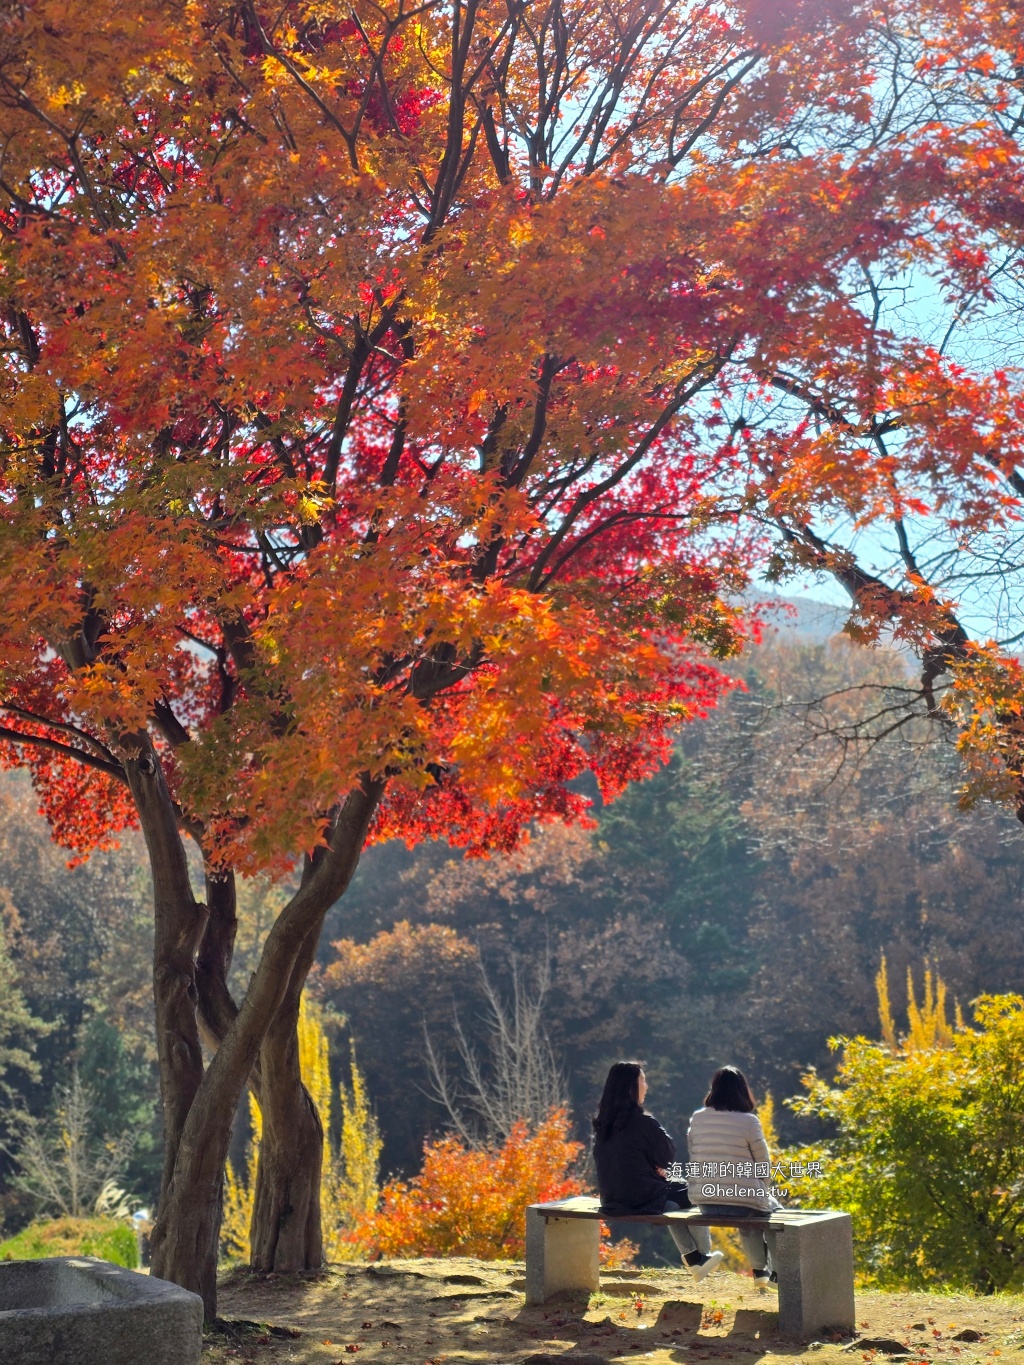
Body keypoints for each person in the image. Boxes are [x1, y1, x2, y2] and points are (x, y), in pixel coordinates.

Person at [593, 1060, 725, 1281]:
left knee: (673, 1201)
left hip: (613, 1199)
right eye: (643, 1080)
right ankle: (702, 1255)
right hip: (643, 1197)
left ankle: (694, 1258)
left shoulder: (604, 1124)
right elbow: (667, 1154)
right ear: (630, 1087)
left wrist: (653, 1167)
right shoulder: (644, 1123)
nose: (646, 1086)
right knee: (696, 1191)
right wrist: (656, 1167)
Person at [687, 1065, 780, 1286]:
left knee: (754, 1209)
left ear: (714, 1090)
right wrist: (760, 1190)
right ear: (742, 1091)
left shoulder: (697, 1119)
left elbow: (695, 1156)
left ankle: (760, 1272)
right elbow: (764, 1165)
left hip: (706, 1202)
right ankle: (776, 1273)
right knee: (772, 1213)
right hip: (743, 1201)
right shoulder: (749, 1121)